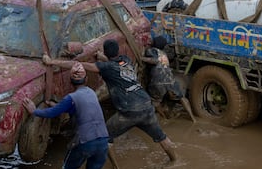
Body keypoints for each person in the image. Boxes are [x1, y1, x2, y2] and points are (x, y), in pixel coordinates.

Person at [43, 39, 177, 162]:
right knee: (162, 138)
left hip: (129, 111)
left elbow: (78, 64)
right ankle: (175, 160)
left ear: (106, 52)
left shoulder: (106, 68)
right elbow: (111, 62)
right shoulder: (125, 60)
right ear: (117, 52)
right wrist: (102, 57)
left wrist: (51, 62)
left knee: (105, 137)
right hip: (146, 106)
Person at [21, 63, 115, 169]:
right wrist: (60, 106)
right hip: (103, 139)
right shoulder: (91, 93)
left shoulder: (70, 98)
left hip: (85, 141)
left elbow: (52, 113)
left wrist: (34, 111)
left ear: (71, 82)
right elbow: (78, 110)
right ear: (86, 80)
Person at [143, 36, 196, 123]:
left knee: (155, 102)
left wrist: (143, 59)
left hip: (158, 81)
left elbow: (155, 61)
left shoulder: (152, 50)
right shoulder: (164, 54)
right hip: (170, 79)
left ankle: (164, 118)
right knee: (182, 98)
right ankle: (193, 119)